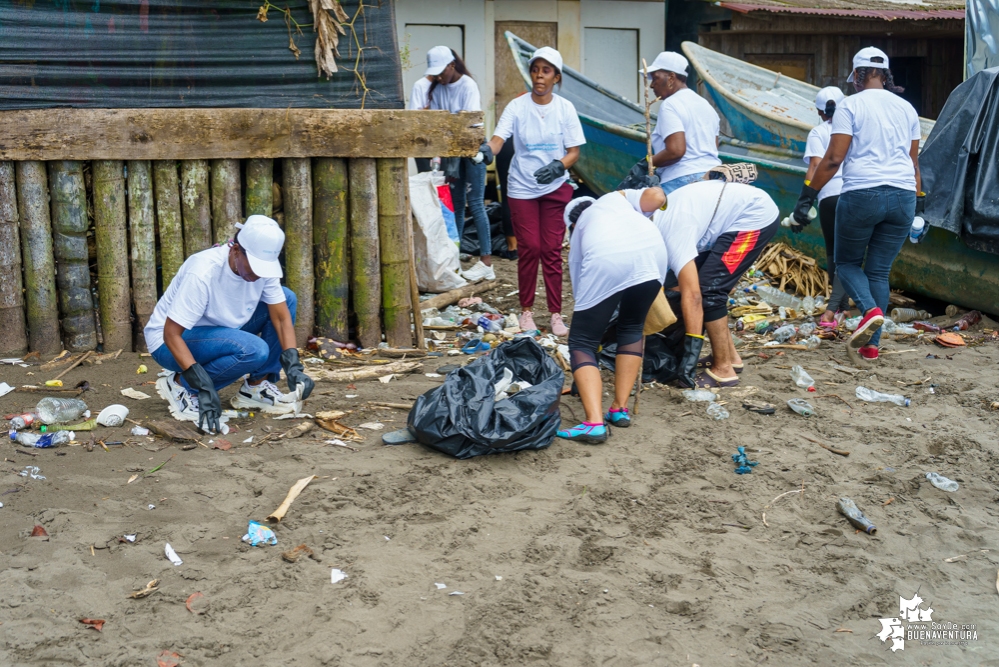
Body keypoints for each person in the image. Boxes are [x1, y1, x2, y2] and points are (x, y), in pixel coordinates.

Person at [792, 47, 923, 362]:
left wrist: (807, 196)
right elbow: (914, 163)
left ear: (859, 74)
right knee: (878, 271)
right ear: (885, 74)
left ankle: (870, 311)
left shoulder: (849, 106)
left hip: (863, 194)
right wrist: (919, 209)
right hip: (904, 195)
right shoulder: (907, 108)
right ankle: (871, 347)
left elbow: (834, 158)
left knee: (847, 264)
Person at [145, 215, 314, 432]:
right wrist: (203, 386)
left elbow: (281, 318)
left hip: (222, 332)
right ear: (235, 251)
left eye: (262, 270)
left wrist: (293, 365)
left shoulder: (263, 269)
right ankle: (181, 386)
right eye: (253, 267)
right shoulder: (203, 271)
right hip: (169, 342)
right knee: (254, 350)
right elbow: (171, 334)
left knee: (286, 297)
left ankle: (255, 388)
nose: (256, 275)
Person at [626, 176, 780, 387]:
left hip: (752, 216)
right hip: (721, 217)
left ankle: (724, 369)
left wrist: (690, 353)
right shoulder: (654, 225)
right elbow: (673, 284)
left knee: (710, 292)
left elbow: (694, 296)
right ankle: (731, 358)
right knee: (686, 285)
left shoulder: (672, 234)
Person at [486, 46, 586, 337]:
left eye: (546, 71)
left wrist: (559, 166)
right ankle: (526, 311)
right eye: (535, 70)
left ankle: (556, 314)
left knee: (552, 250)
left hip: (554, 187)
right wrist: (485, 151)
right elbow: (497, 139)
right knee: (530, 248)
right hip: (522, 188)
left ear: (556, 77)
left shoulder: (565, 108)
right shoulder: (517, 107)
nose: (539, 76)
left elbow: (574, 151)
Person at [556, 192, 669, 443]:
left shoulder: (581, 230)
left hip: (610, 258)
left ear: (572, 225)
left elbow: (581, 293)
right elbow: (656, 197)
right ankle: (619, 409)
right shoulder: (617, 200)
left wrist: (590, 340)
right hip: (655, 255)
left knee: (581, 342)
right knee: (632, 326)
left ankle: (594, 423)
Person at [426, 45, 494, 282]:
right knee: (455, 204)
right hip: (450, 149)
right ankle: (453, 259)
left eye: (441, 71)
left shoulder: (468, 85)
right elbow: (435, 123)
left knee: (475, 202)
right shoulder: (436, 89)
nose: (438, 76)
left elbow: (471, 122)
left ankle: (486, 262)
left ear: (452, 66)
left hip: (472, 145)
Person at [627, 52, 721, 195]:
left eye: (655, 78)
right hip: (714, 178)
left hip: (682, 180)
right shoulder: (706, 105)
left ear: (671, 77)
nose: (652, 85)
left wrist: (647, 162)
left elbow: (675, 151)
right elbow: (713, 147)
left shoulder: (670, 104)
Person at [802, 86, 851, 329]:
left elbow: (814, 167)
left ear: (820, 113)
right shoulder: (853, 129)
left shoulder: (818, 131)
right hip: (853, 193)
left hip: (828, 197)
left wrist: (805, 200)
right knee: (849, 255)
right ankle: (839, 309)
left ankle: (838, 309)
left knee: (833, 253)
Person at [409, 72, 434, 173]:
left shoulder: (443, 85)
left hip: (442, 139)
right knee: (425, 175)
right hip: (422, 140)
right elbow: (414, 116)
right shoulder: (419, 85)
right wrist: (431, 108)